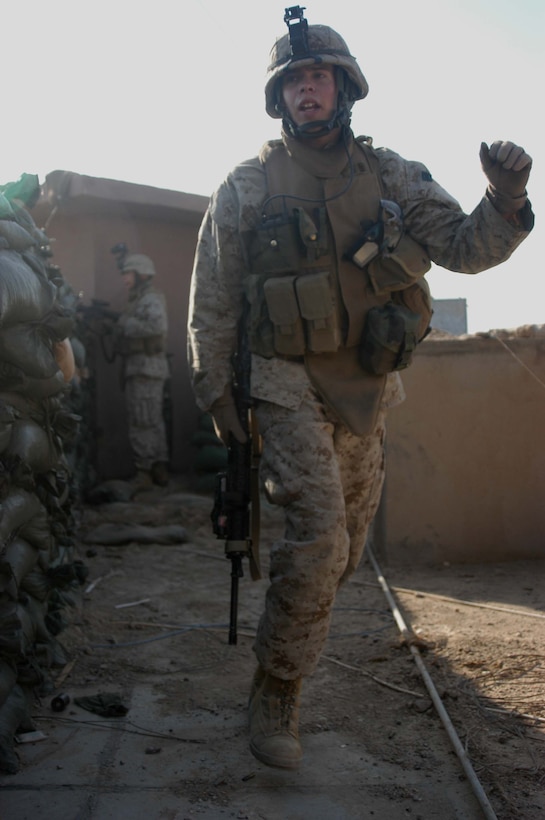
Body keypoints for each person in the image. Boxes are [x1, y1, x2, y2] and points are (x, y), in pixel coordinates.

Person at [187, 7, 533, 770]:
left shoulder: (391, 175)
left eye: (318, 77)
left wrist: (505, 200)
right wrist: (217, 396)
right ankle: (277, 690)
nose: (306, 90)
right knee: (320, 538)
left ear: (343, 88)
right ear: (277, 99)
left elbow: (466, 248)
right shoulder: (246, 185)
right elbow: (212, 299)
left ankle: (292, 636)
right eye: (293, 83)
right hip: (283, 380)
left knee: (342, 552)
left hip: (367, 383)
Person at [116, 252, 170, 490]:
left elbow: (157, 325)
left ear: (141, 275)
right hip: (144, 368)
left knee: (142, 420)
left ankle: (145, 470)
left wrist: (124, 323)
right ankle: (158, 467)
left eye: (128, 273)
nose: (124, 278)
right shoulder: (139, 298)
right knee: (151, 419)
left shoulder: (149, 298)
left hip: (145, 368)